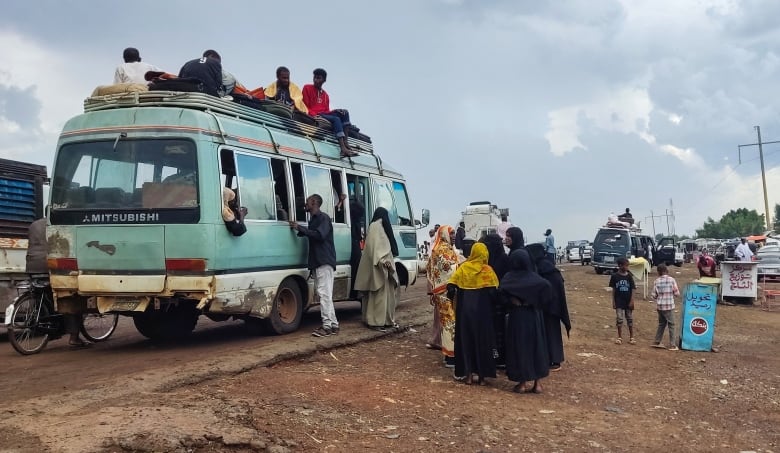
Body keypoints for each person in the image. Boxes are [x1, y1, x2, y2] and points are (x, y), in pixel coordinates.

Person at [26, 217, 90, 347]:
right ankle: (74, 338)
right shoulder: (59, 223)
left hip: (32, 265)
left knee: (42, 295)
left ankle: (50, 328)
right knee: (70, 296)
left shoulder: (34, 224)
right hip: (50, 265)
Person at [499, 249, 551, 394]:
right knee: (537, 346)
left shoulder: (509, 277)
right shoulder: (535, 278)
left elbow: (501, 293)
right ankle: (537, 383)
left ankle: (522, 383)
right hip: (534, 316)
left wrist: (512, 300)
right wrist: (535, 302)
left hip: (518, 316)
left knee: (520, 347)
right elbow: (547, 289)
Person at [446, 243, 499, 385]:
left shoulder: (464, 268)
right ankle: (482, 377)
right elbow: (495, 294)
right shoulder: (488, 271)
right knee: (483, 341)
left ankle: (468, 375)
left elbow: (450, 286)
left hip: (465, 313)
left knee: (466, 341)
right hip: (483, 314)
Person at [289, 194, 338, 337]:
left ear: (314, 202)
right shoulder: (315, 219)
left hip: (324, 260)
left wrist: (300, 228)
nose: (306, 204)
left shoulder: (323, 218)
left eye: (308, 202)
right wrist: (301, 230)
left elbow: (319, 235)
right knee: (326, 294)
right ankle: (333, 325)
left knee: (324, 294)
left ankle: (327, 326)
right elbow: (313, 233)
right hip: (319, 261)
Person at [526, 243, 571, 372]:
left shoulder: (541, 268)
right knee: (553, 333)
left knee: (549, 333)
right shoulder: (549, 267)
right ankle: (554, 359)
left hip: (548, 306)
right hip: (554, 306)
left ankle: (554, 360)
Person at [354, 207, 400, 331]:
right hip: (379, 267)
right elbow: (375, 248)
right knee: (379, 296)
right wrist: (383, 261)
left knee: (385, 296)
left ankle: (385, 321)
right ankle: (375, 322)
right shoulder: (376, 226)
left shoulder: (376, 226)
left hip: (384, 267)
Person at [301, 68, 358, 158]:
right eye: (315, 78)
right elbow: (305, 106)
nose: (316, 80)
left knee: (344, 112)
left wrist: (335, 111)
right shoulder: (307, 88)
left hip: (325, 114)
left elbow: (326, 110)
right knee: (336, 119)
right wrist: (314, 115)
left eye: (319, 78)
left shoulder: (325, 95)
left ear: (324, 80)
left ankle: (346, 143)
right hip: (316, 114)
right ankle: (342, 148)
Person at [426, 225, 460, 367]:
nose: (453, 236)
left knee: (447, 324)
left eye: (454, 233)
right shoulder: (442, 250)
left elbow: (429, 269)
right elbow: (450, 269)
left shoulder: (441, 248)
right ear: (445, 234)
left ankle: (448, 355)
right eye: (451, 233)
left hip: (442, 292)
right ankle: (450, 356)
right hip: (445, 291)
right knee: (450, 324)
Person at [481, 233, 510, 367]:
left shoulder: (503, 259)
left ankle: (501, 357)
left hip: (499, 300)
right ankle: (494, 356)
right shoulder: (490, 258)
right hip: (491, 300)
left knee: (500, 330)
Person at [651, 264, 680, 350]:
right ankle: (672, 345)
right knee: (671, 324)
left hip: (660, 306)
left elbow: (653, 295)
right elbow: (677, 293)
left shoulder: (656, 281)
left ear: (658, 272)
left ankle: (657, 341)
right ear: (666, 271)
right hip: (669, 306)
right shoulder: (671, 280)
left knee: (662, 324)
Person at [609, 257, 636, 345]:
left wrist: (632, 301)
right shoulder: (614, 276)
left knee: (629, 318)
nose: (627, 267)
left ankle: (632, 337)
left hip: (628, 301)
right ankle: (619, 337)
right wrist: (613, 301)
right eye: (626, 265)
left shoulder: (629, 276)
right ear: (620, 266)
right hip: (619, 301)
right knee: (619, 319)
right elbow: (614, 290)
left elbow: (632, 289)